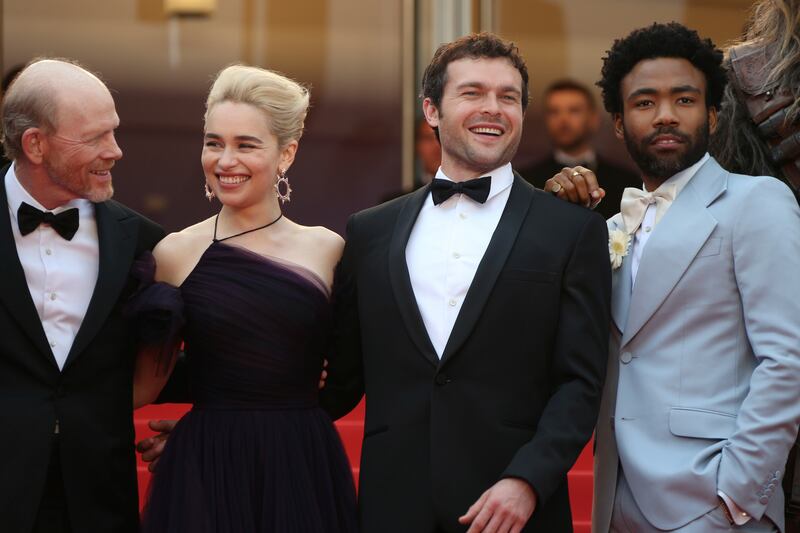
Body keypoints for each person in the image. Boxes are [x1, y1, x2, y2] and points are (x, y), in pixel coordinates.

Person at [321, 32, 611, 532]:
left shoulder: (573, 229)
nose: (493, 108)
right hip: (394, 507)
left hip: (516, 512)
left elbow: (581, 382)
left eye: (508, 97)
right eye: (472, 92)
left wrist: (527, 480)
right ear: (431, 110)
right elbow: (343, 378)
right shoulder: (369, 231)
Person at [545, 22, 800, 532]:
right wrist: (556, 222)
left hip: (714, 504)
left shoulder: (756, 202)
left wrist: (738, 494)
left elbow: (787, 360)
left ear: (712, 114)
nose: (665, 115)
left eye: (684, 99)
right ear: (619, 123)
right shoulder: (607, 230)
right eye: (645, 103)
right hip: (616, 502)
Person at [128, 64, 357, 532]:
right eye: (214, 143)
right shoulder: (174, 252)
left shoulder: (328, 248)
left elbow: (351, 368)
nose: (225, 160)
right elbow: (146, 384)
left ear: (286, 154)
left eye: (246, 145)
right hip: (207, 462)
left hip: (300, 462)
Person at [0, 59, 164, 532]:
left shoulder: (142, 242)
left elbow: (164, 357)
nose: (115, 150)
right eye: (94, 137)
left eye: (113, 131)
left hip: (97, 499)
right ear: (35, 144)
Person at [519, 79, 639, 219]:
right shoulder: (524, 182)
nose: (563, 119)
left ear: (594, 119)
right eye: (554, 112)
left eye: (574, 111)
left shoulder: (627, 182)